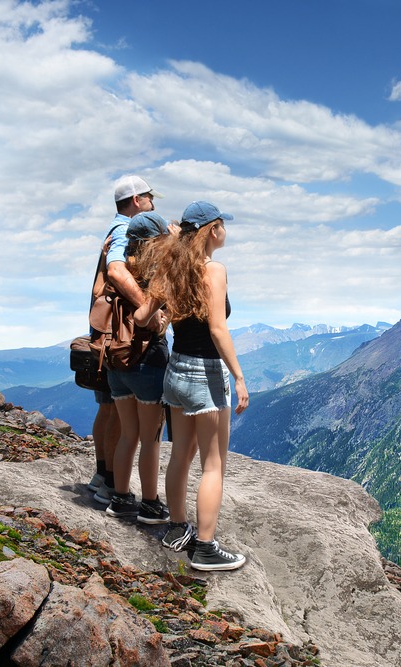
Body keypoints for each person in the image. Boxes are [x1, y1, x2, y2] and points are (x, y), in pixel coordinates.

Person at [134, 200, 249, 571]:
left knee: (180, 454)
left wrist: (164, 314)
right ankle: (205, 547)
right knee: (213, 465)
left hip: (176, 371)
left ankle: (176, 527)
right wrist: (240, 376)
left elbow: (140, 316)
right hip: (206, 374)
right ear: (212, 229)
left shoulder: (170, 268)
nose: (225, 231)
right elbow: (217, 328)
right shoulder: (214, 270)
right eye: (222, 225)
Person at [89, 176, 164, 506]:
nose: (152, 202)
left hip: (106, 333)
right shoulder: (125, 231)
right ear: (136, 199)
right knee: (127, 418)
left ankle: (104, 477)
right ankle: (113, 485)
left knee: (110, 406)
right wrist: (147, 310)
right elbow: (117, 272)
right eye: (149, 197)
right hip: (127, 338)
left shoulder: (112, 229)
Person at [103, 211, 176, 525]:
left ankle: (120, 499)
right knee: (150, 438)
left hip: (115, 359)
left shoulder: (117, 269)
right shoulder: (154, 274)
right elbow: (162, 317)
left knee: (128, 435)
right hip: (148, 360)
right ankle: (149, 503)